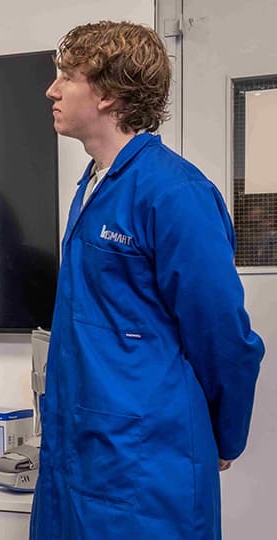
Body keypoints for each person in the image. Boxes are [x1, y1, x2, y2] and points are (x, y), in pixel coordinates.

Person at [32, 21, 265, 540]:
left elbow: (223, 332)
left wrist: (224, 437)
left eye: (68, 76)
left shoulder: (173, 193)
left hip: (146, 460)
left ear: (110, 94)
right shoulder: (93, 186)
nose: (52, 90)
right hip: (82, 448)